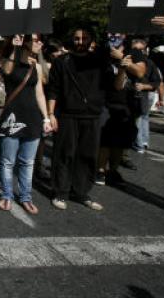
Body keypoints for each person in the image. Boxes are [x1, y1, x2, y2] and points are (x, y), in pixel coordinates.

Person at [47, 28, 106, 211]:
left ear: (91, 40)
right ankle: (60, 192)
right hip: (67, 115)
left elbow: (115, 85)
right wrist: (50, 115)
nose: (80, 41)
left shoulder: (100, 62)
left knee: (87, 156)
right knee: (64, 154)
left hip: (92, 116)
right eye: (76, 38)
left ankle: (81, 192)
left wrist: (123, 67)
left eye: (84, 38)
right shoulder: (61, 62)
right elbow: (53, 90)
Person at [0, 35, 52, 214]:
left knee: (27, 162)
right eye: (36, 40)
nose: (40, 43)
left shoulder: (35, 65)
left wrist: (46, 118)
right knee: (8, 162)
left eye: (40, 40)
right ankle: (7, 195)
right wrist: (14, 48)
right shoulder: (10, 61)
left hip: (33, 119)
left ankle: (26, 197)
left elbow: (40, 94)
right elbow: (6, 70)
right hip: (12, 119)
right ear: (26, 42)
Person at [96, 34, 147, 186]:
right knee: (105, 140)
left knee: (120, 141)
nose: (115, 36)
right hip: (106, 102)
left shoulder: (135, 52)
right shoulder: (103, 51)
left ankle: (113, 171)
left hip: (126, 104)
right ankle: (100, 170)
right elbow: (114, 84)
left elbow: (140, 72)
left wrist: (122, 57)